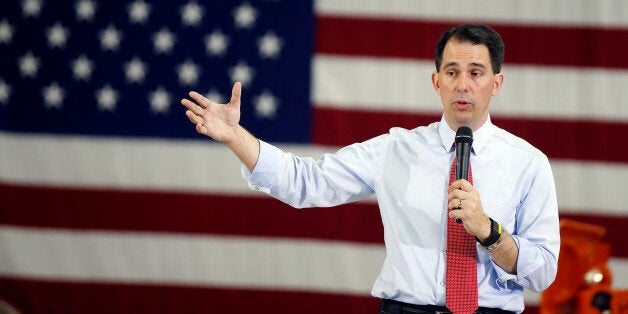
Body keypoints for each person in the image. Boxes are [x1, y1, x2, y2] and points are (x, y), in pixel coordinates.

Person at [180, 24, 560, 314]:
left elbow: (542, 274)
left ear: (496, 84)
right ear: (436, 81)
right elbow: (305, 182)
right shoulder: (394, 149)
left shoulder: (528, 163)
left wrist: (489, 232)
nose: (463, 84)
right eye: (451, 71)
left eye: (476, 73)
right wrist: (235, 136)